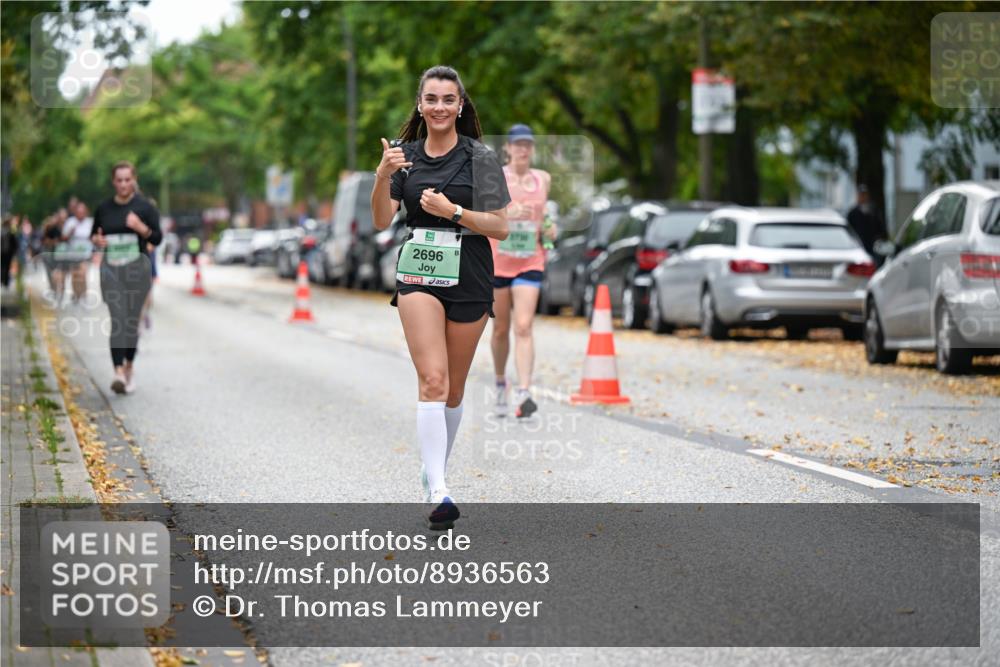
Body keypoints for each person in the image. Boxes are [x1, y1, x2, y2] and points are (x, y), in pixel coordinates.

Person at [371, 65, 510, 528]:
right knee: (432, 380)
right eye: (431, 99)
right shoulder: (403, 157)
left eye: (448, 100)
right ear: (420, 104)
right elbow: (379, 220)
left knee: (451, 389)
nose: (439, 107)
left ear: (461, 105)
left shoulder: (481, 158)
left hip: (470, 272)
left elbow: (501, 226)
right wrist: (381, 176)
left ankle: (434, 471)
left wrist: (454, 212)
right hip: (419, 274)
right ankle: (440, 488)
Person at [489, 124, 555, 419]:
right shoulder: (495, 177)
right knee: (501, 328)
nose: (523, 149)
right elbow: (482, 212)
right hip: (498, 261)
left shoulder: (543, 179)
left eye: (528, 144)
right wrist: (507, 213)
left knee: (524, 325)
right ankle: (501, 382)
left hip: (530, 260)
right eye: (518, 144)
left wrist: (549, 229)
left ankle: (524, 391)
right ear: (508, 148)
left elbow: (546, 217)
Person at [91, 161, 162, 395]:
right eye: (119, 180)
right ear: (113, 182)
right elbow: (95, 234)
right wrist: (97, 241)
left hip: (137, 272)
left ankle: (129, 367)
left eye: (127, 179)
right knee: (118, 319)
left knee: (131, 322)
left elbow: (158, 238)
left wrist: (141, 228)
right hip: (111, 271)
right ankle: (118, 372)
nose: (123, 184)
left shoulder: (145, 207)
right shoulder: (104, 208)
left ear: (133, 180)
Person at [63, 201, 94, 304]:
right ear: (75, 212)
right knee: (75, 275)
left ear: (86, 212)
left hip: (86, 254)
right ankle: (76, 294)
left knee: (83, 274)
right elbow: (64, 238)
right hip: (73, 254)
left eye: (82, 211)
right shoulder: (70, 222)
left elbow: (94, 237)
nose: (80, 213)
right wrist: (70, 233)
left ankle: (83, 294)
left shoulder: (90, 222)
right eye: (78, 211)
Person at [846, 185, 883, 260]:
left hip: (873, 246)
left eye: (864, 194)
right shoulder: (852, 213)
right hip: (858, 246)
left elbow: (880, 227)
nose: (863, 197)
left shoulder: (874, 211)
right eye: (861, 194)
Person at [1, 215, 18, 290]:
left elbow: (15, 243)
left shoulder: (10, 233)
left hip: (8, 253)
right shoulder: (2, 232)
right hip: (2, 252)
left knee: (6, 267)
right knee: (3, 266)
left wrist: (14, 251)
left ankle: (5, 282)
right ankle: (3, 281)